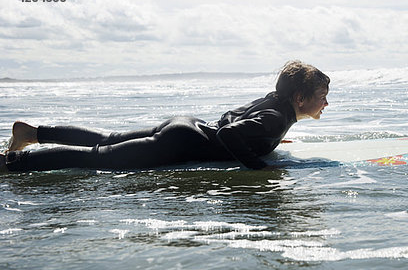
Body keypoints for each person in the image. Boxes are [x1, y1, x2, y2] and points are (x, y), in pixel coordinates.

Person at [0, 61, 329, 173]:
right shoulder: (274, 118)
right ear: (300, 98)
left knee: (107, 140)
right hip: (177, 143)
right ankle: (12, 164)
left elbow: (231, 119)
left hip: (184, 127)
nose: (325, 104)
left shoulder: (272, 107)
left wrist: (265, 140)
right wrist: (259, 165)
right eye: (322, 97)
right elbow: (230, 135)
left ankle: (33, 133)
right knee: (98, 158)